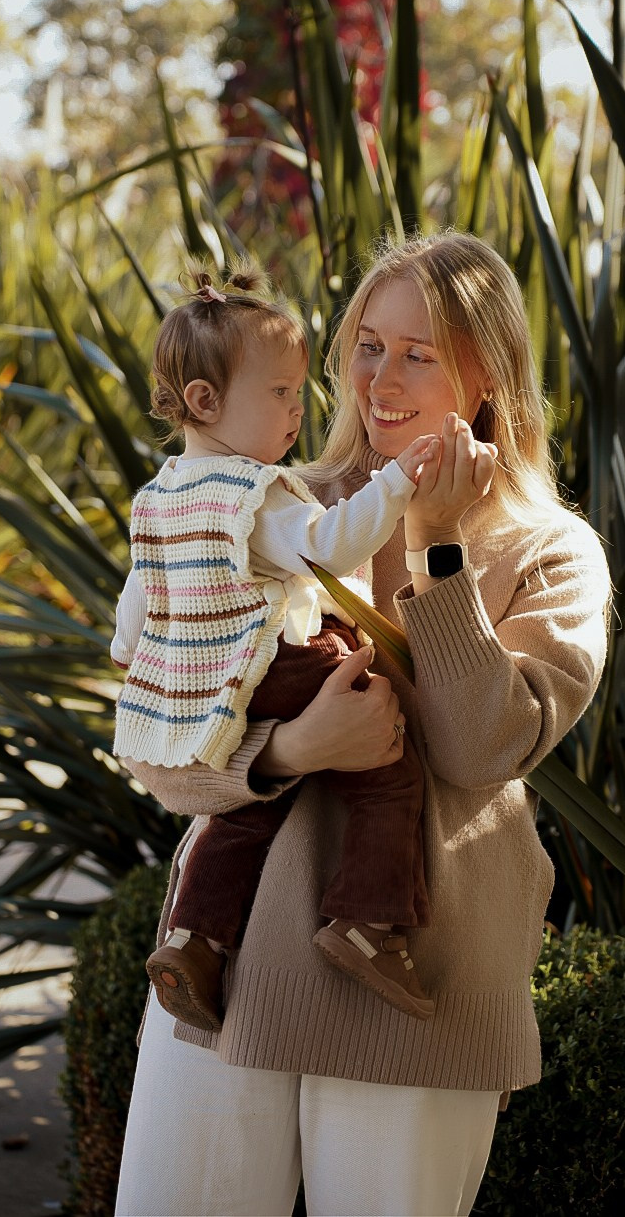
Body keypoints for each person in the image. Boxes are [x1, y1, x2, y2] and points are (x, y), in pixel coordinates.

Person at [114, 232, 612, 1217]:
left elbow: (481, 750)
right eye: (367, 345)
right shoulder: (278, 509)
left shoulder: (555, 555)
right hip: (225, 976)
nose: (380, 377)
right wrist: (292, 751)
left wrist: (434, 551)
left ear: (484, 376)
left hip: (418, 993)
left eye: (418, 352)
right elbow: (158, 750)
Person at [111, 268, 450, 1033]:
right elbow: (331, 546)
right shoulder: (257, 496)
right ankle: (367, 922)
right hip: (276, 665)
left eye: (301, 392)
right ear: (205, 402)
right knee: (389, 773)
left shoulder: (160, 496)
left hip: (208, 683)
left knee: (244, 816)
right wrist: (396, 482)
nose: (299, 412)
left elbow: (141, 609)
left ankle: (195, 940)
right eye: (280, 394)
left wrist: (139, 663)